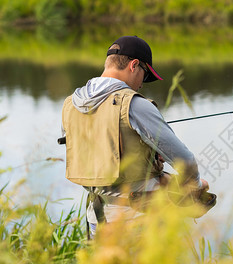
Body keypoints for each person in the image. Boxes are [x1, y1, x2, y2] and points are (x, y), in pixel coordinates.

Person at [60, 35, 214, 238]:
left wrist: (147, 154)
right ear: (134, 65)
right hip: (137, 220)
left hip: (97, 218)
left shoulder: (70, 104)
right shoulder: (134, 104)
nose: (142, 84)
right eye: (144, 75)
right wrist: (194, 186)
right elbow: (184, 161)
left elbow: (98, 153)